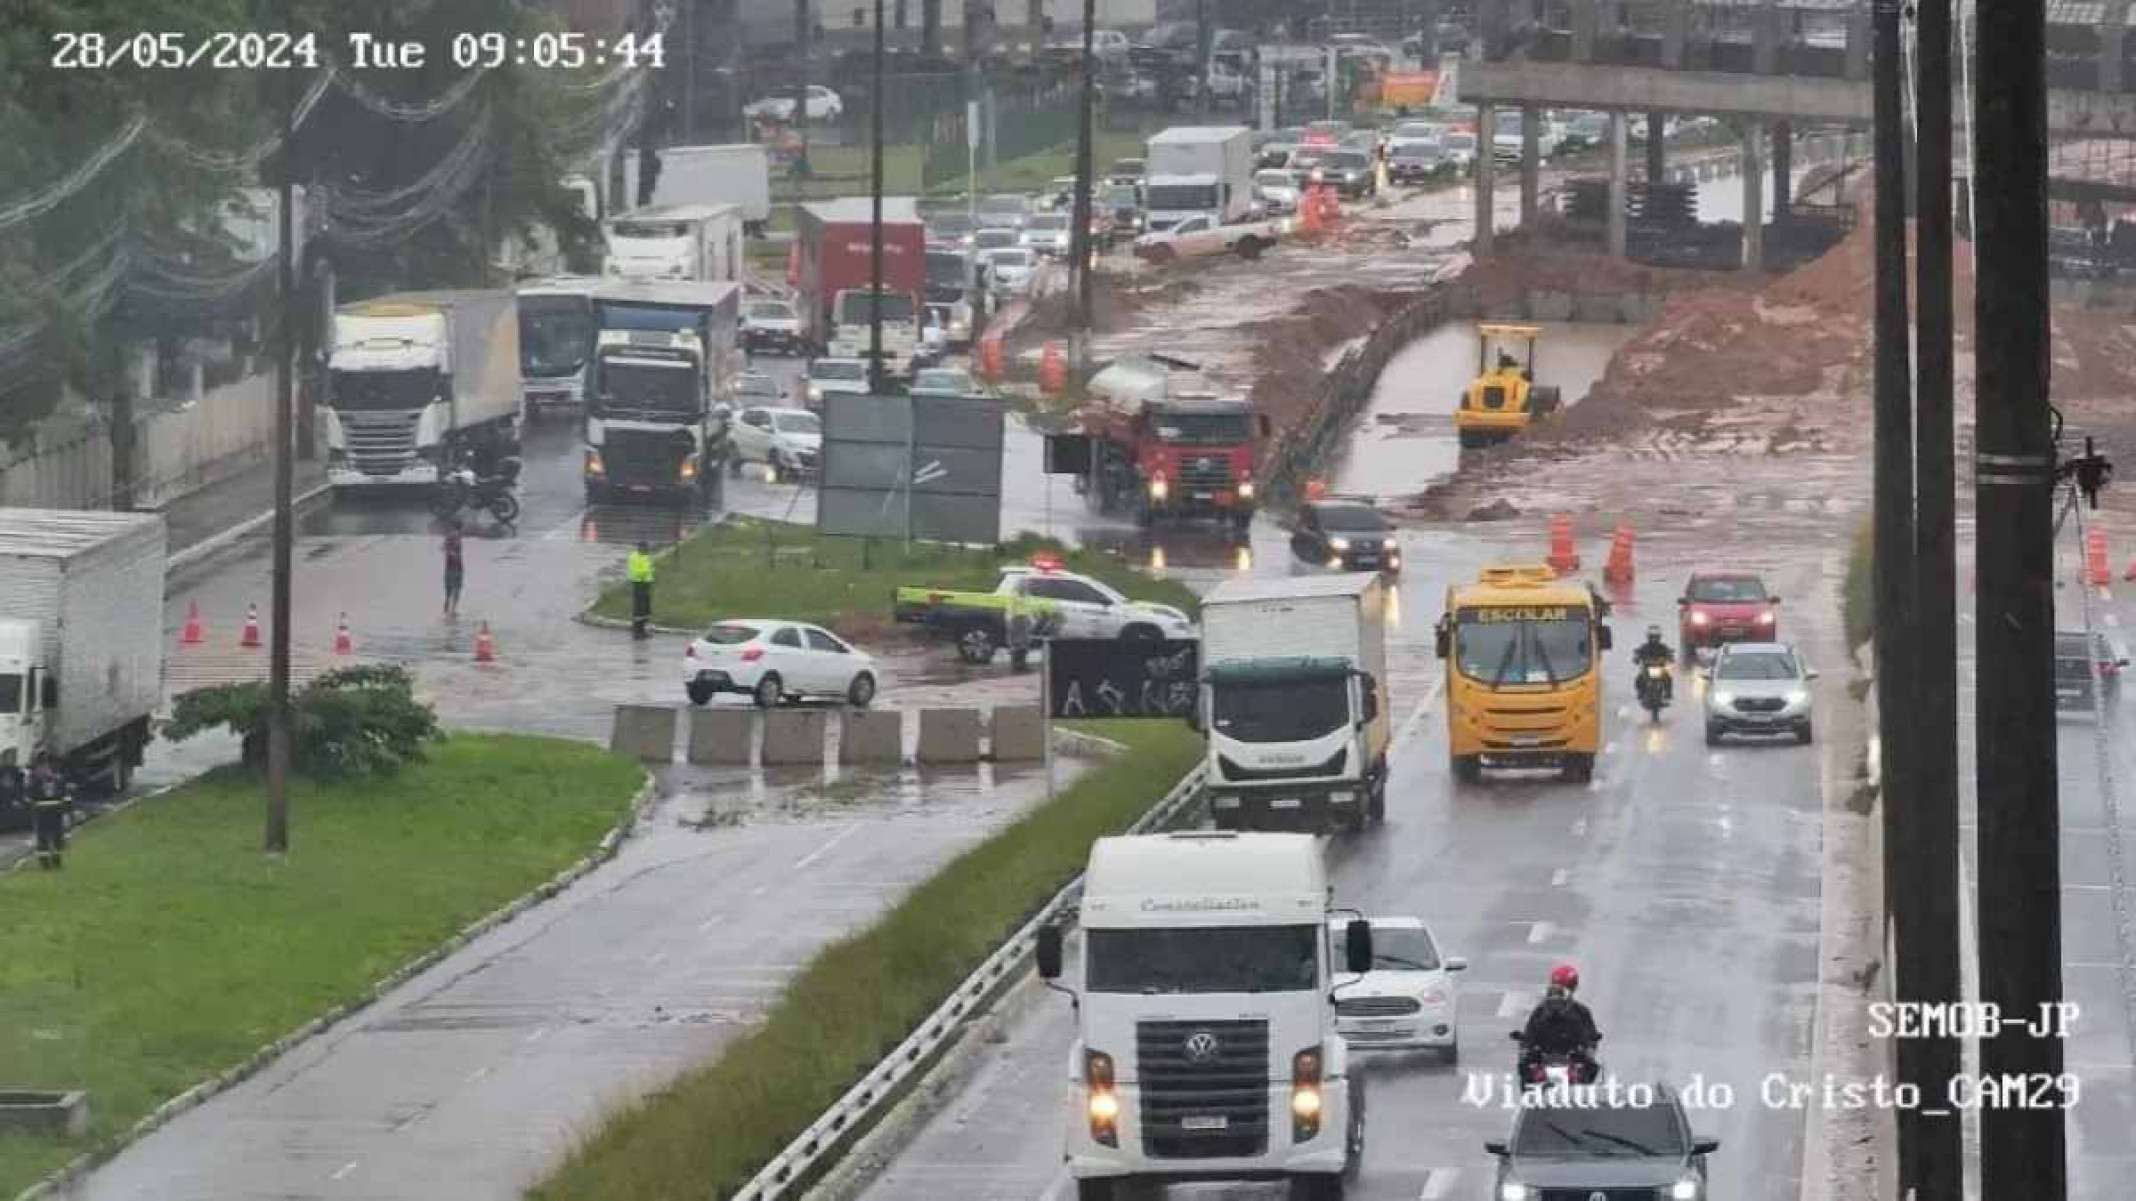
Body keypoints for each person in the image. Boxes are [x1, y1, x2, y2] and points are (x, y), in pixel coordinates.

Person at [1518, 963, 1602, 1080]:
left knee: (1591, 1068)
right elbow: (1529, 1036)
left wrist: (1588, 1047)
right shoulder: (1542, 1011)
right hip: (1546, 1059)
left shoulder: (1579, 1011)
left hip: (1569, 1059)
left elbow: (1591, 1037)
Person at [28, 753, 71, 869]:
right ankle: (52, 860)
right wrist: (67, 811)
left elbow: (30, 796)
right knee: (52, 835)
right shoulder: (56, 777)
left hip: (45, 811)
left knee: (46, 836)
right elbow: (65, 796)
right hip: (51, 810)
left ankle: (49, 861)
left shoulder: (35, 778)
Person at [1632, 624, 1675, 701]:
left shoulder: (1663, 647)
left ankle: (1668, 693)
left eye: (1656, 637)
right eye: (1652, 637)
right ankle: (1641, 692)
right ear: (1648, 637)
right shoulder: (1644, 647)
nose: (1654, 639)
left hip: (1660, 669)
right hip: (1647, 669)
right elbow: (1637, 655)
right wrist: (1637, 658)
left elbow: (1669, 655)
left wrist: (1670, 657)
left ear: (1659, 637)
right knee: (1639, 679)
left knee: (1668, 678)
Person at [627, 541, 655, 640]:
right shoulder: (635, 557)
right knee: (639, 609)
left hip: (645, 583)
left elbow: (649, 569)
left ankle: (643, 630)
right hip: (639, 583)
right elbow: (638, 571)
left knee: (645, 609)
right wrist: (647, 572)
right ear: (640, 548)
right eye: (646, 548)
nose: (647, 550)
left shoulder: (645, 556)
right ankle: (637, 632)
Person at [442, 522, 465, 617]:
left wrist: (450, 552)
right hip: (455, 566)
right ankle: (452, 610)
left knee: (449, 589)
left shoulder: (451, 536)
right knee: (456, 588)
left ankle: (449, 610)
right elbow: (445, 547)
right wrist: (453, 554)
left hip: (451, 566)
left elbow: (444, 547)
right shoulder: (454, 536)